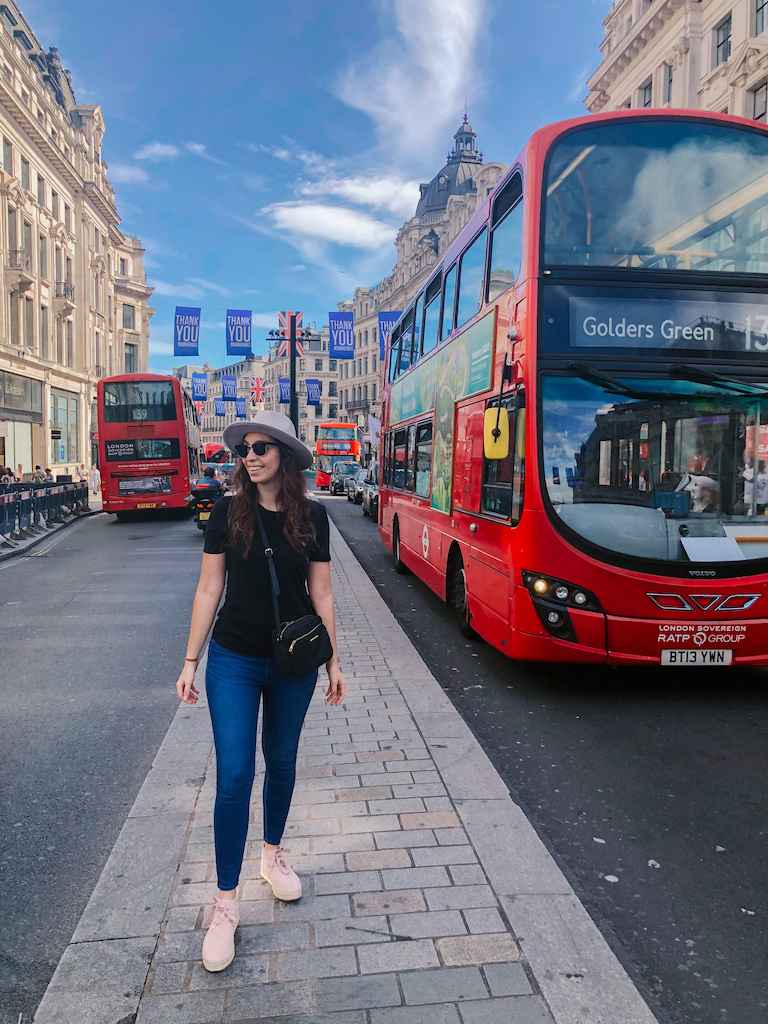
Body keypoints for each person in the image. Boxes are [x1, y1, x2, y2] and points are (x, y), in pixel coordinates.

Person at [176, 410, 346, 975]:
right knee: (235, 777)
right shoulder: (228, 511)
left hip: (293, 660)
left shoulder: (314, 518)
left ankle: (272, 856)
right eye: (244, 448)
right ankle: (226, 903)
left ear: (286, 458)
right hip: (233, 658)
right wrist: (190, 659)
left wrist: (334, 662)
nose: (249, 456)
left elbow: (321, 592)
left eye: (261, 448)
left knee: (283, 761)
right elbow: (209, 586)